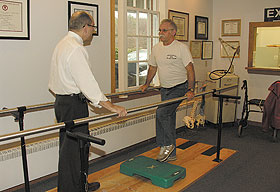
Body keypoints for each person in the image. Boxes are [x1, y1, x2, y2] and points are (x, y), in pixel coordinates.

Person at [48, 11, 127, 192]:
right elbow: (88, 84)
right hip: (73, 104)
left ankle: (80, 184)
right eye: (92, 27)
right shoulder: (76, 49)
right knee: (73, 151)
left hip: (63, 102)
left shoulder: (63, 44)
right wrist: (111, 106)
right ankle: (71, 189)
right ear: (85, 28)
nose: (92, 31)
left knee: (78, 147)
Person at [140, 19, 195, 162]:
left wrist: (190, 89)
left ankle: (167, 145)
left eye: (164, 30)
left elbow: (190, 70)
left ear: (173, 32)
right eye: (160, 30)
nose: (160, 33)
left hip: (179, 88)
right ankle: (172, 153)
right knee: (168, 116)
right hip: (164, 89)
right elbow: (153, 67)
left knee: (161, 113)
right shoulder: (156, 48)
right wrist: (146, 84)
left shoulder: (181, 48)